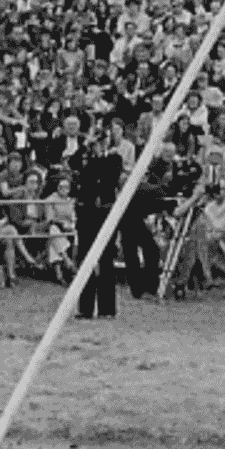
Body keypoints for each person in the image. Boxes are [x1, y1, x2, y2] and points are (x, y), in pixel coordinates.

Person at [74, 123, 124, 319]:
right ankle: (85, 307)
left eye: (100, 142)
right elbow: (74, 164)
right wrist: (86, 145)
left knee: (106, 261)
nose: (97, 146)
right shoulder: (85, 159)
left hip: (105, 213)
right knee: (85, 259)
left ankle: (107, 308)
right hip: (86, 214)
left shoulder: (114, 159)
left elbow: (108, 177)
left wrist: (99, 154)